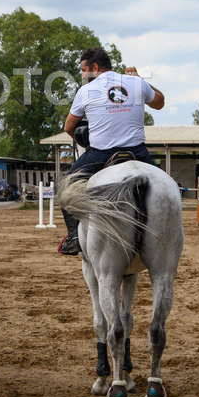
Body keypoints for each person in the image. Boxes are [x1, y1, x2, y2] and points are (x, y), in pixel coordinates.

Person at [57, 47, 165, 256]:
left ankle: (74, 238)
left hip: (101, 154)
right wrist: (141, 79)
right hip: (138, 152)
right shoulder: (136, 83)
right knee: (164, 186)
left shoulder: (86, 91)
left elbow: (69, 126)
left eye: (83, 70)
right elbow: (160, 103)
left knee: (67, 190)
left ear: (95, 67)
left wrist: (84, 143)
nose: (82, 75)